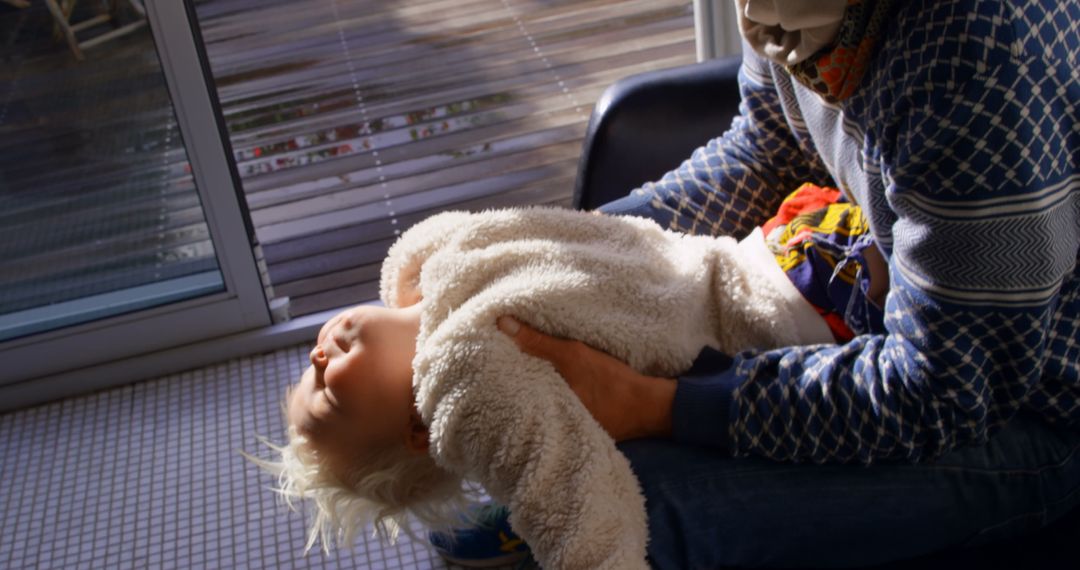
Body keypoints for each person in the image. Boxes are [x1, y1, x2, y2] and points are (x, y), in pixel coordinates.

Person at [439, 0, 1079, 567]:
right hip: (894, 316)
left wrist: (657, 405)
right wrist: (553, 255)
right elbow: (767, 151)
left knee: (630, 512)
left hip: (1038, 406)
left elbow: (946, 386)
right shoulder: (796, 13)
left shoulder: (978, 59)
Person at [251, 199, 884, 569]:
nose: (317, 354)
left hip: (768, 250)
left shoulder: (428, 268)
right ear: (421, 426)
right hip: (791, 303)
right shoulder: (461, 381)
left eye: (306, 365)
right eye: (327, 390)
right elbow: (574, 502)